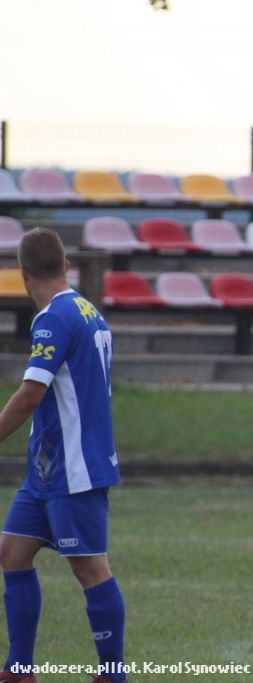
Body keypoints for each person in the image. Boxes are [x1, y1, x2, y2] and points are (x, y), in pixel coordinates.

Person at [0, 228, 127, 683]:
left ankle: (113, 675)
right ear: (66, 266)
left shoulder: (53, 318)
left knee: (90, 569)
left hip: (75, 467)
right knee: (12, 552)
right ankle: (19, 669)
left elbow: (31, 394)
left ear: (23, 273)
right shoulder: (89, 311)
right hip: (49, 467)